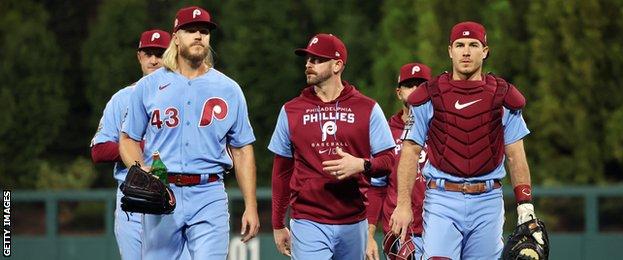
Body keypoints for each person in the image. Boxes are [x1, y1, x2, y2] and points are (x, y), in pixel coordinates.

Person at [390, 21, 544, 260]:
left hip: (488, 199)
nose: (466, 51)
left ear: (485, 51)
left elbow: (515, 153)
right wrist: (403, 205)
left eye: (474, 45)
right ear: (450, 50)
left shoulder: (502, 96)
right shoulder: (429, 95)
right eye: (460, 45)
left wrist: (525, 204)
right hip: (442, 198)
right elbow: (410, 151)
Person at [119, 6, 259, 259]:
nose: (198, 36)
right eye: (190, 30)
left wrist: (251, 205)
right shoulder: (149, 86)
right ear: (175, 37)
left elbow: (242, 149)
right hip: (162, 191)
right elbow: (127, 138)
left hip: (210, 192)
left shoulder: (229, 88)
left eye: (204, 31)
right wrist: (140, 169)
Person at [269, 33, 396, 260]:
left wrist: (362, 165)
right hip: (308, 218)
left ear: (337, 65)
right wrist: (278, 223)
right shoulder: (291, 110)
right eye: (308, 59)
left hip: (354, 219)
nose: (309, 65)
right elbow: (281, 171)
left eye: (317, 60)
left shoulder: (367, 108)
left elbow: (388, 160)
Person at [90, 28, 172, 260]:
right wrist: (138, 145)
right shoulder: (122, 98)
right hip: (133, 197)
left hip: (172, 194)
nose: (154, 60)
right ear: (139, 56)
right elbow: (98, 150)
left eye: (160, 53)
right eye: (148, 53)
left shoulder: (182, 95)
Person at [365, 63, 432, 260]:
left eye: (421, 85)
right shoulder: (385, 132)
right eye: (409, 85)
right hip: (399, 232)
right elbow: (376, 188)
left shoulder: (442, 130)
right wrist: (369, 234)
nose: (415, 91)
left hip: (438, 227)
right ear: (398, 92)